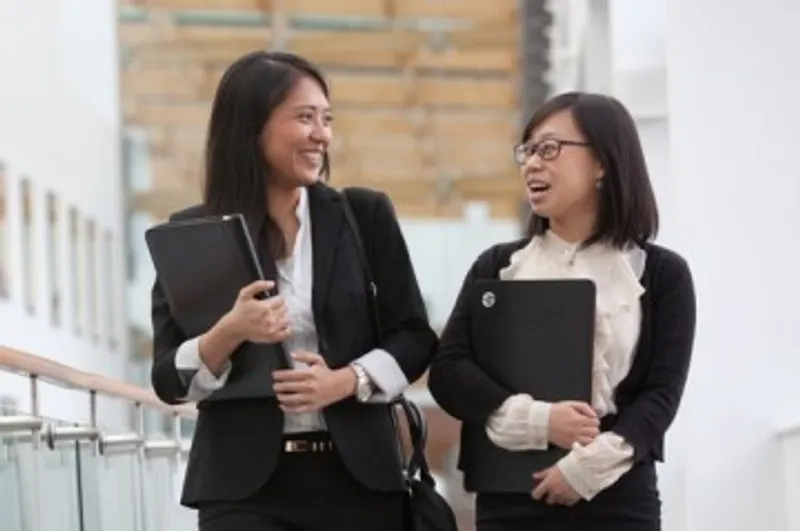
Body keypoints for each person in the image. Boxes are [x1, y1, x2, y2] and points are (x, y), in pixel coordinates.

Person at [149, 51, 438, 531]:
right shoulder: (192, 234)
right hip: (242, 490)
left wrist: (346, 381)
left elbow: (413, 337)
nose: (321, 134)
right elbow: (168, 379)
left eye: (326, 119)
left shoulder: (364, 215)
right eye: (305, 118)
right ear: (251, 128)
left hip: (358, 483)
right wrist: (230, 331)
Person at [427, 92, 696, 531]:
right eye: (527, 151)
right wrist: (540, 420)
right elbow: (449, 371)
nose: (532, 163)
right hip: (510, 493)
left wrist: (585, 469)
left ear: (602, 163)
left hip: (618, 498)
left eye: (549, 149)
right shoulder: (498, 266)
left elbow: (661, 394)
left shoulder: (663, 274)